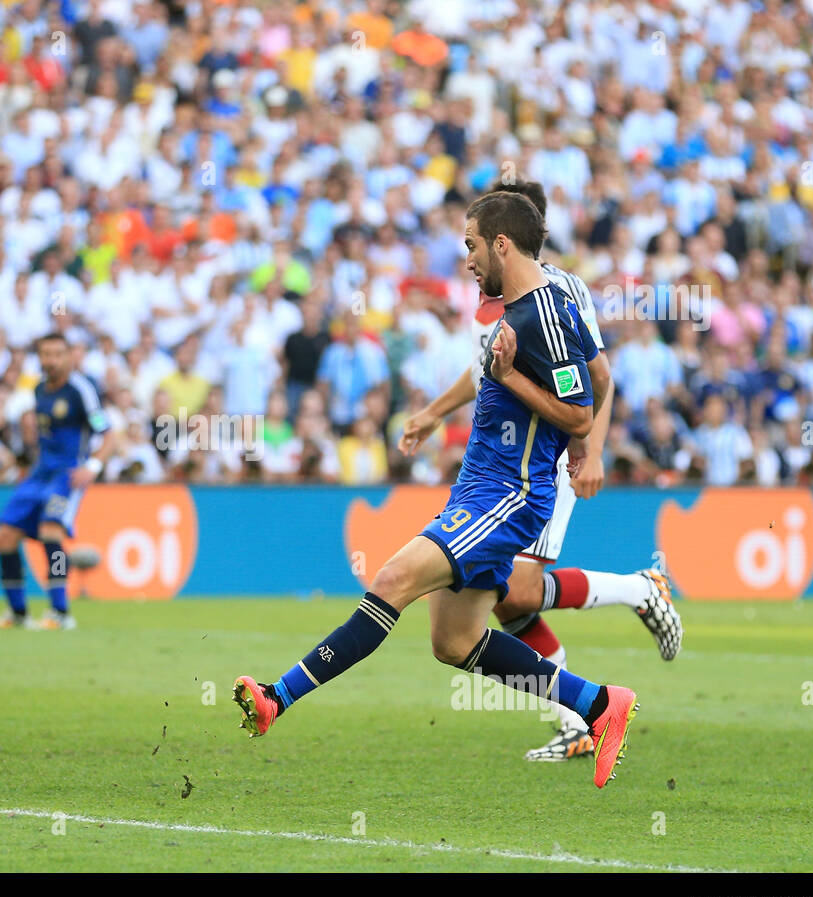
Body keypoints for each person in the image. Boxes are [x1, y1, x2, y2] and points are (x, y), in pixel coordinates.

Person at [233, 191, 639, 789]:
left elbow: (579, 411)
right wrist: (452, 406)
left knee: (391, 582)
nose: (468, 260)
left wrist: (549, 415)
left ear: (502, 243)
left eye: (473, 246)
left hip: (508, 494)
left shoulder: (543, 314)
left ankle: (276, 698)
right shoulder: (528, 310)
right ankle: (600, 704)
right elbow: (597, 377)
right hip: (480, 491)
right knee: (453, 641)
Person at [399, 180, 682, 762]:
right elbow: (483, 369)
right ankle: (578, 721)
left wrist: (593, 448)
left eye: (481, 237)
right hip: (507, 460)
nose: (473, 251)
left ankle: (639, 588)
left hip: (545, 461)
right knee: (508, 605)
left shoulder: (561, 291)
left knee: (518, 591)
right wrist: (431, 413)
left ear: (509, 235)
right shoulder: (499, 294)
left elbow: (598, 378)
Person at [0, 332, 116, 630]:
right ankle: (17, 613)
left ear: (69, 356)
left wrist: (92, 466)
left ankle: (60, 611)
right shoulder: (39, 391)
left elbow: (107, 434)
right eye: (46, 354)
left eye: (58, 354)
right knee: (3, 537)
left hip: (66, 475)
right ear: (40, 357)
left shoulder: (80, 391)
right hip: (40, 472)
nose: (52, 360)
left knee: (50, 531)